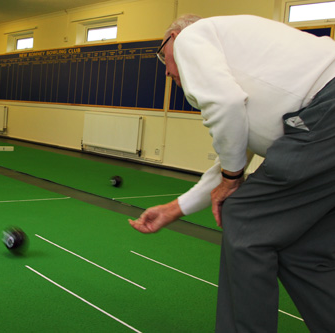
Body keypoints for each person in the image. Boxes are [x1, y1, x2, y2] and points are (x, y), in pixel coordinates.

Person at [129, 14, 335, 332]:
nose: (168, 71)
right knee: (302, 249)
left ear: (174, 38)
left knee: (243, 216)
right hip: (319, 135)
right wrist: (173, 209)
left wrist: (231, 178)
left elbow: (225, 106)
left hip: (325, 116)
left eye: (163, 57)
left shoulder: (190, 37)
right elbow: (233, 156)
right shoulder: (248, 68)